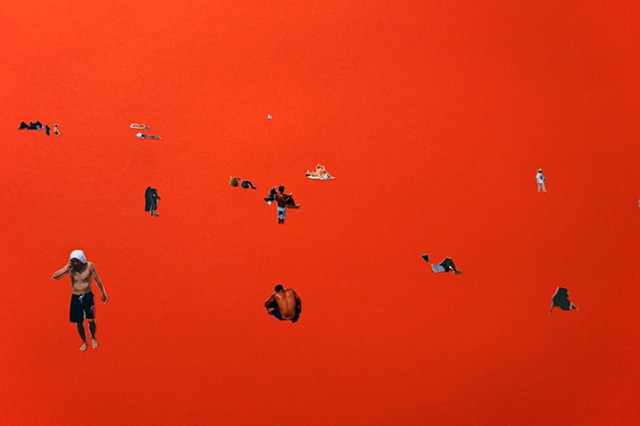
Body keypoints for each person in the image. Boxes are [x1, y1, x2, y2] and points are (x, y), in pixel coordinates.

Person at [52, 250, 108, 351]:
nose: (74, 263)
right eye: (72, 261)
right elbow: (54, 276)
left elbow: (97, 280)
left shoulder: (89, 266)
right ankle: (84, 342)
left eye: (76, 261)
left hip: (87, 296)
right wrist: (66, 268)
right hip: (76, 297)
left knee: (90, 320)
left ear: (81, 260)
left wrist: (102, 293)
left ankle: (93, 337)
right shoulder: (70, 268)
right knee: (79, 323)